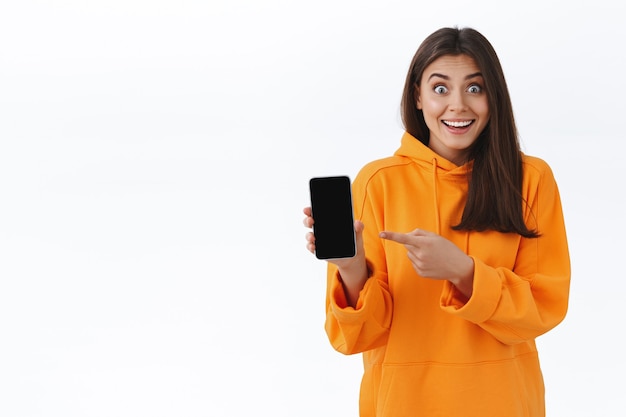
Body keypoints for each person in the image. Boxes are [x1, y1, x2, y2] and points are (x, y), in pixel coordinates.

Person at [302, 26, 570, 417]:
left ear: (494, 96)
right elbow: (356, 337)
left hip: (504, 402)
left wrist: (462, 272)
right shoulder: (378, 182)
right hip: (402, 403)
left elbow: (543, 308)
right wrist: (351, 270)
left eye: (475, 88)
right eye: (440, 89)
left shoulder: (529, 179)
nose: (457, 105)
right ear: (418, 96)